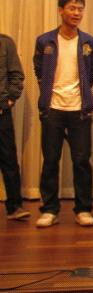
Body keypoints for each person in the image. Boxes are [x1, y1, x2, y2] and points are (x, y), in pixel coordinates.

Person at [33, 0, 93, 228]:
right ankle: (50, 209)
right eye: (72, 8)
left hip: (79, 110)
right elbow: (38, 70)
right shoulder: (45, 41)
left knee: (81, 161)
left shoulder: (89, 42)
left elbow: (92, 74)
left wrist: (80, 94)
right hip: (52, 109)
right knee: (51, 160)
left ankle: (83, 209)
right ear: (61, 10)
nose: (77, 13)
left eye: (80, 9)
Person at [0, 33, 30, 221]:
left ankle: (14, 207)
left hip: (1, 112)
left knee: (8, 160)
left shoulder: (5, 42)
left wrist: (8, 101)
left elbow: (16, 75)